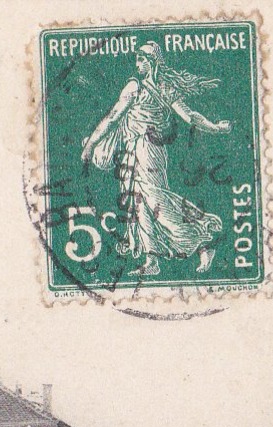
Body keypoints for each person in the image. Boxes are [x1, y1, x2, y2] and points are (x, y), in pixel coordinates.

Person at [80, 41, 232, 278]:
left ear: (150, 62)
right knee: (140, 205)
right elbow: (189, 117)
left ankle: (202, 239)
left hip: (147, 149)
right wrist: (216, 127)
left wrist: (90, 145)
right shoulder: (157, 87)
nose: (137, 65)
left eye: (141, 60)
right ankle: (152, 260)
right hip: (135, 151)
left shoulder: (142, 87)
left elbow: (113, 118)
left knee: (155, 200)